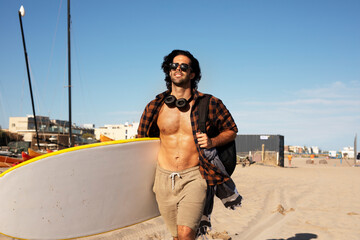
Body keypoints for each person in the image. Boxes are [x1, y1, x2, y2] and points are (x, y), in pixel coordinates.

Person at [137, 50, 241, 240]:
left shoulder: (209, 103)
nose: (178, 69)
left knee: (186, 235)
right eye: (174, 66)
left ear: (192, 74)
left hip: (195, 176)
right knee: (177, 236)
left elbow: (231, 130)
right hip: (163, 178)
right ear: (168, 72)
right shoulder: (155, 106)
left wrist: (212, 141)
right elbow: (140, 141)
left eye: (184, 66)